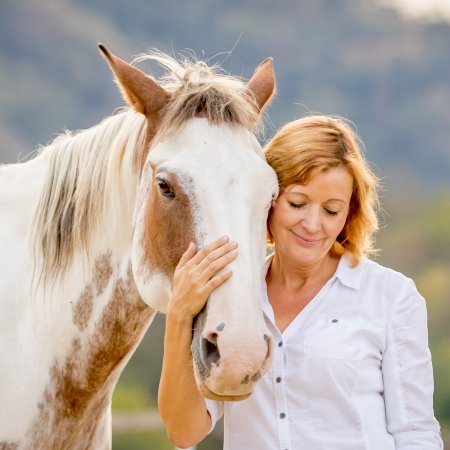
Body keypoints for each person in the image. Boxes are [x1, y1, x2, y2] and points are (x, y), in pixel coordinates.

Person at [158, 115, 443, 449]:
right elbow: (184, 432)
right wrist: (179, 314)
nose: (312, 224)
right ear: (268, 201)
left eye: (331, 211)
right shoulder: (229, 298)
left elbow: (415, 434)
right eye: (298, 203)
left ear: (349, 215)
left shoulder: (391, 297)